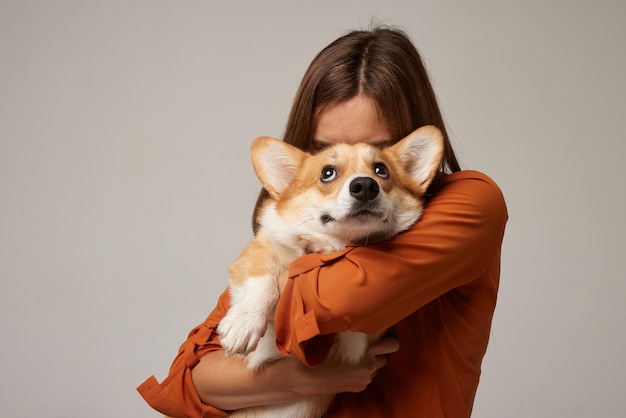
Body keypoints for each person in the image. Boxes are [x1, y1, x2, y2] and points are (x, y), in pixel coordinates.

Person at [138, 25, 507, 417]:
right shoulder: (277, 252)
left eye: (378, 158)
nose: (359, 183)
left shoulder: (470, 203)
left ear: (409, 161)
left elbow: (345, 297)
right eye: (328, 163)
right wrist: (300, 379)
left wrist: (275, 270)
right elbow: (190, 381)